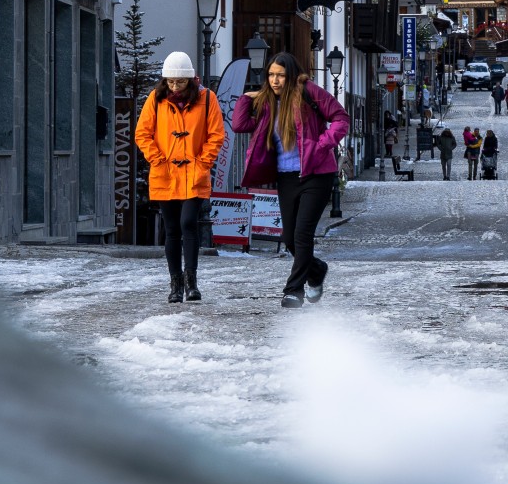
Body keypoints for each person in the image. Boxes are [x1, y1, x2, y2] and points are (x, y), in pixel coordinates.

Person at [233, 51, 349, 307]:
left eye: (281, 75)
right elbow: (240, 126)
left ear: (291, 75)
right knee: (288, 237)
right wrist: (245, 97)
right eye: (271, 75)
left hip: (317, 174)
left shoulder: (309, 92)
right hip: (286, 177)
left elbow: (341, 119)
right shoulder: (266, 102)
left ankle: (293, 290)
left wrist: (321, 145)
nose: (275, 80)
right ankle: (316, 270)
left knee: (302, 234)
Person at [134, 52, 225, 304]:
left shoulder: (207, 99)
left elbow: (216, 134)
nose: (175, 86)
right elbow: (142, 133)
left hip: (194, 174)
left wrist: (203, 162)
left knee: (188, 224)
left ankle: (191, 282)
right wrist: (157, 159)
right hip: (165, 173)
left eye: (180, 82)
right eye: (171, 82)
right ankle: (175, 284)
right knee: (171, 229)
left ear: (191, 80)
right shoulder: (156, 99)